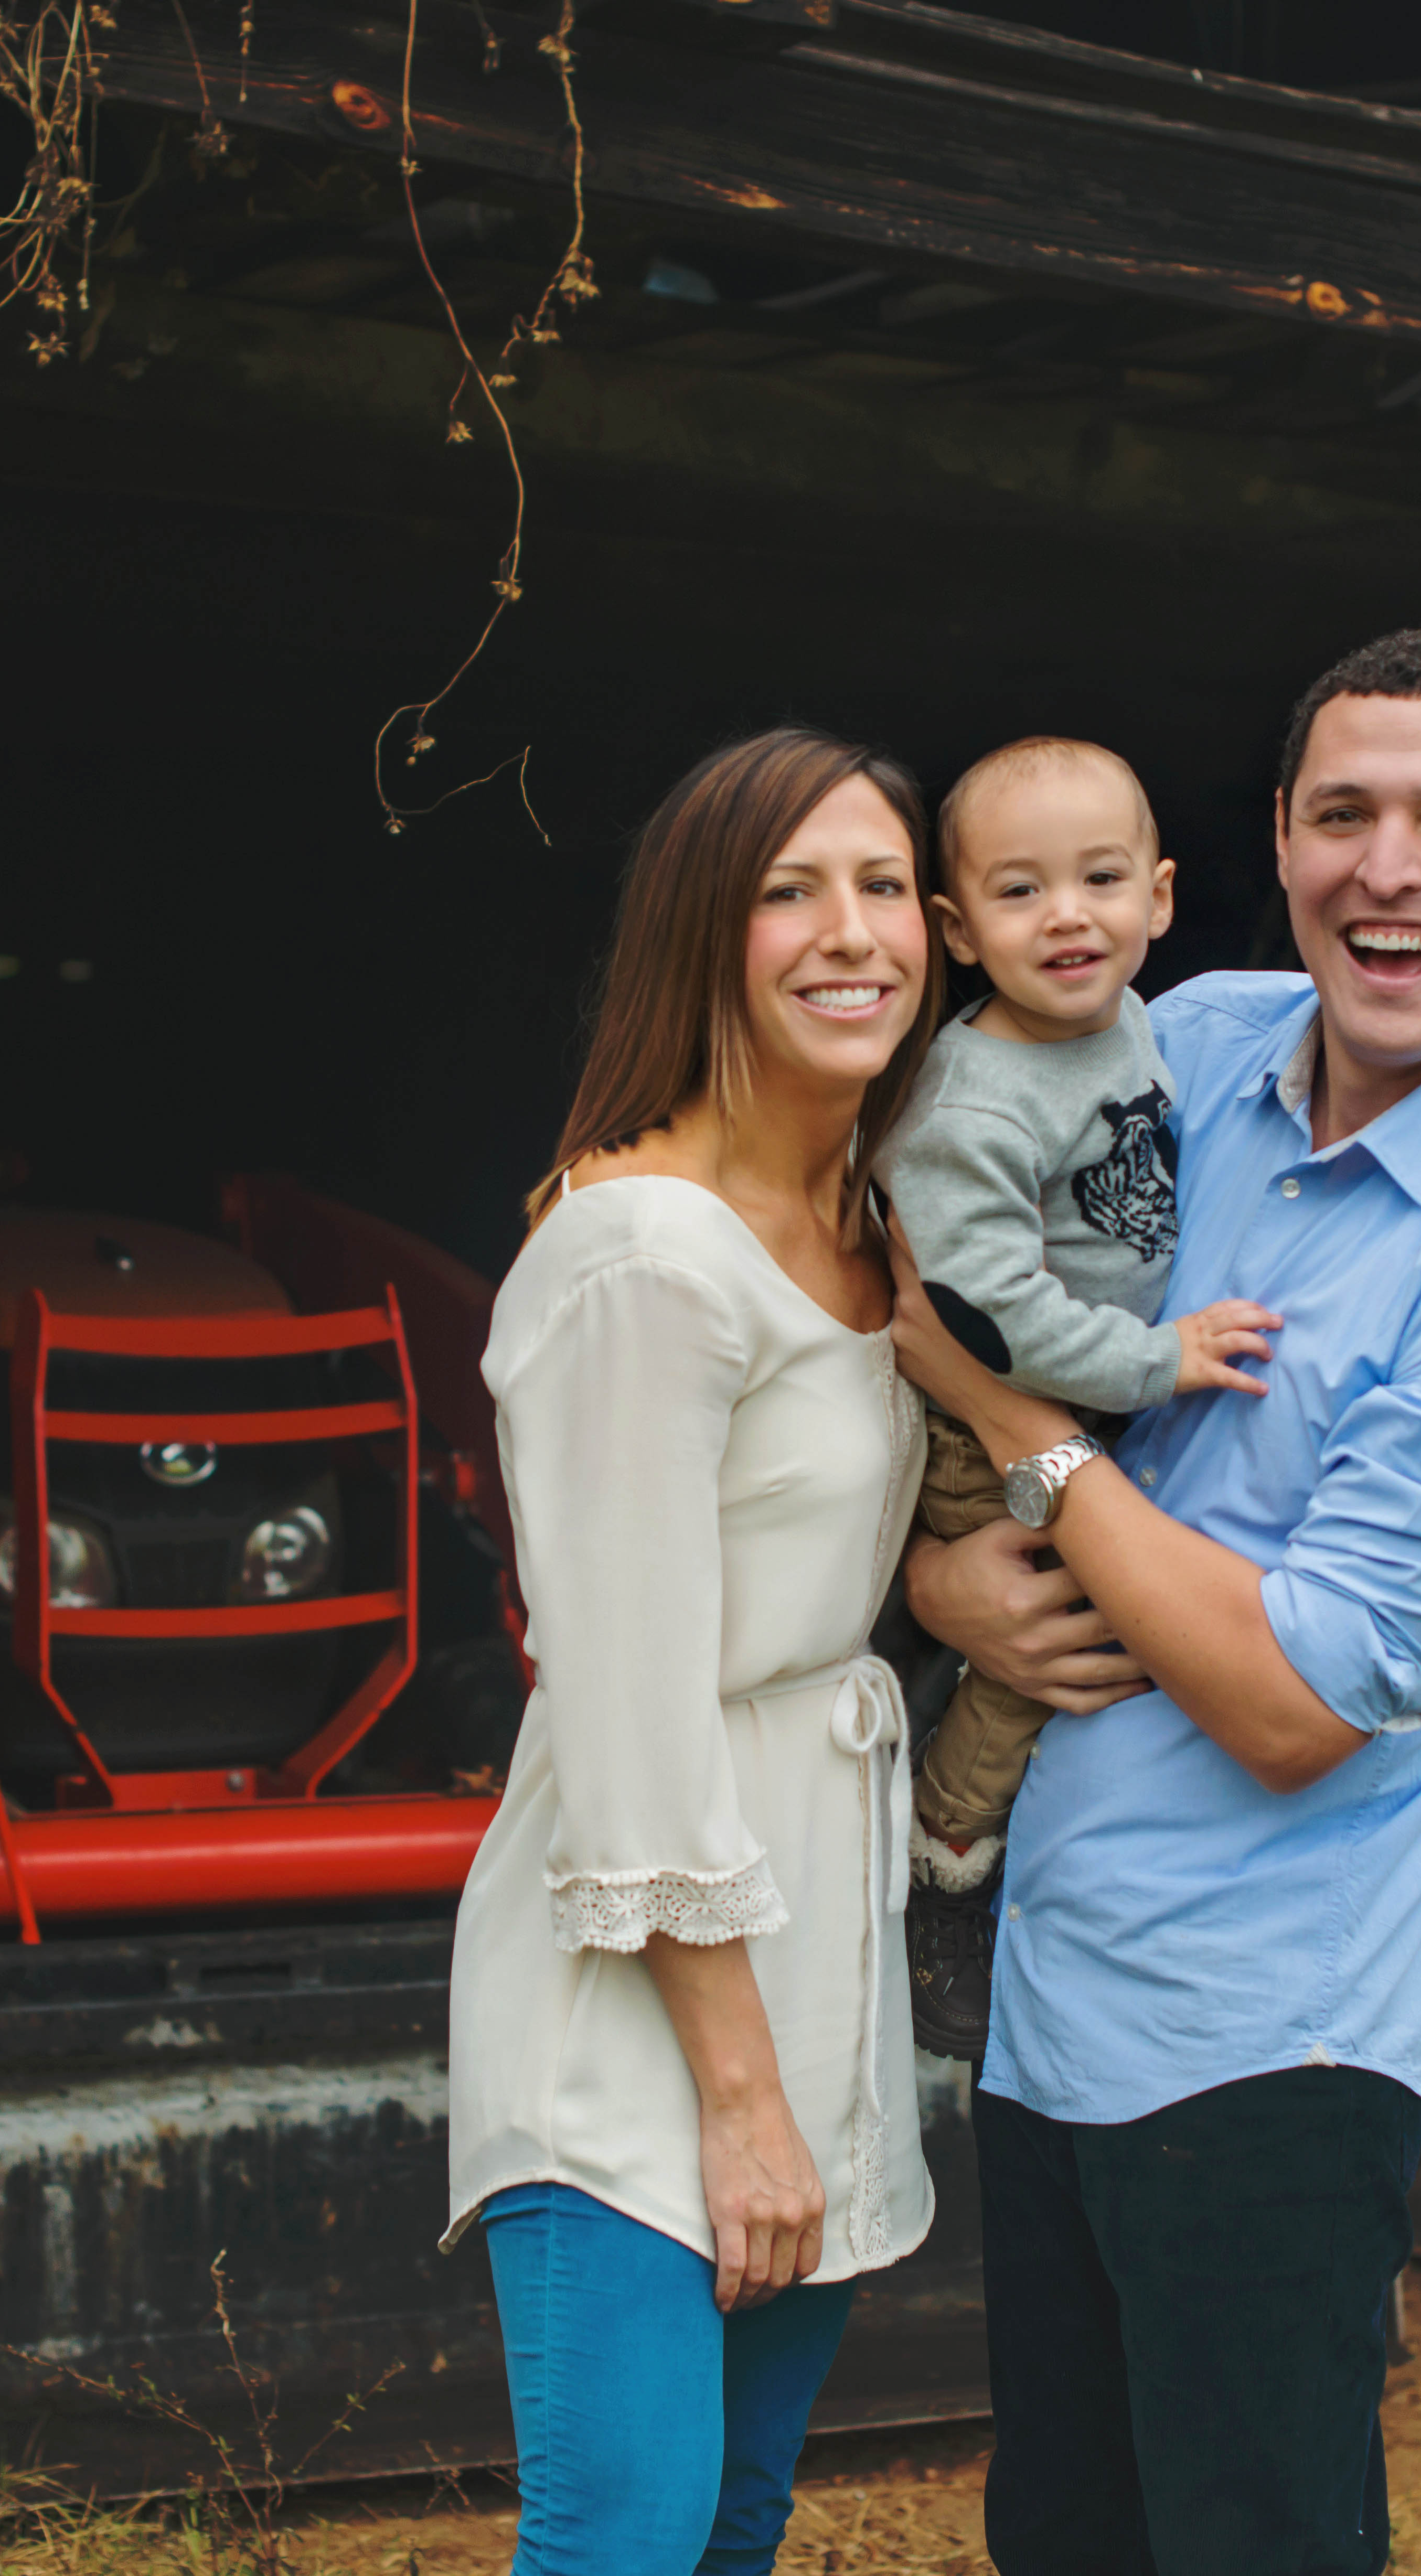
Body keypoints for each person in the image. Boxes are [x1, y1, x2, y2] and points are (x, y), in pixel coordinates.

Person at [891, 630, 1421, 2575]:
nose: (1389, 870)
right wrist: (937, 1576)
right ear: (1279, 842)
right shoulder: (1193, 1042)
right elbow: (904, 1226)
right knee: (1062, 2538)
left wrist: (1015, 1424)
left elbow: (1293, 1700)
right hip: (1052, 1989)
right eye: (1344, 815)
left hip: (1265, 2046)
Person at [443, 725, 944, 2575]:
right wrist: (743, 2101)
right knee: (627, 2538)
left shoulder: (870, 1218)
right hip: (640, 1985)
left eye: (884, 884)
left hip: (814, 1942)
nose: (852, 932)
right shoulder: (643, 1254)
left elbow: (825, 1543)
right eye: (789, 892)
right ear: (698, 937)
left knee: (734, 2528)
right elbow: (631, 1713)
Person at [873, 736, 1278, 2060]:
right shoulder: (973, 1101)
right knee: (1057, 1631)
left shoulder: (1137, 1022)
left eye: (1100, 880)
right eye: (1019, 891)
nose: (1067, 917)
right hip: (979, 1418)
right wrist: (1160, 1360)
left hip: (1079, 1406)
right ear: (958, 931)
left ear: (1158, 898)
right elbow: (982, 1310)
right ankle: (944, 1851)